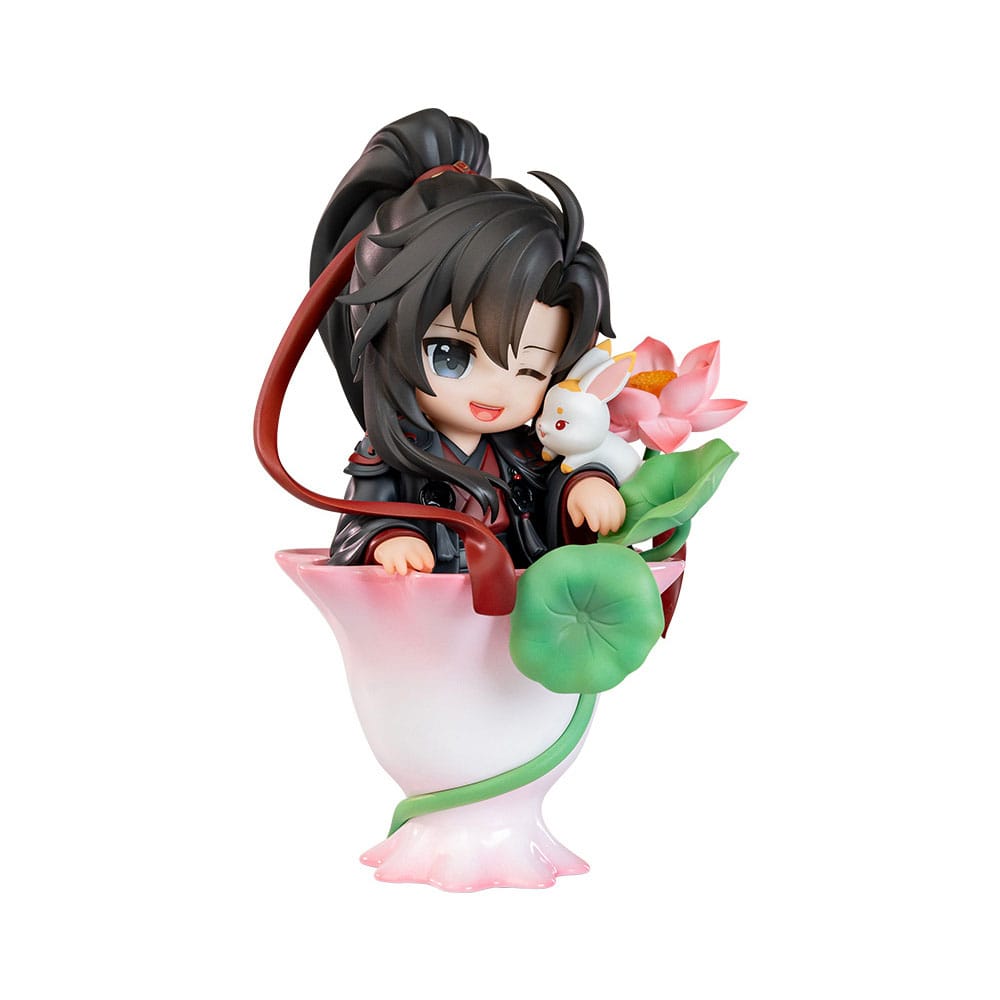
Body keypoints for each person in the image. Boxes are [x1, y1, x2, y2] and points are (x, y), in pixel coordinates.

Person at [306, 109, 627, 575]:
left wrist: (585, 485)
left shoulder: (525, 448)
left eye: (530, 370)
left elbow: (555, 481)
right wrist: (389, 537)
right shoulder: (395, 452)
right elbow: (361, 518)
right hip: (433, 596)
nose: (497, 389)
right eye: (452, 356)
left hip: (522, 593)